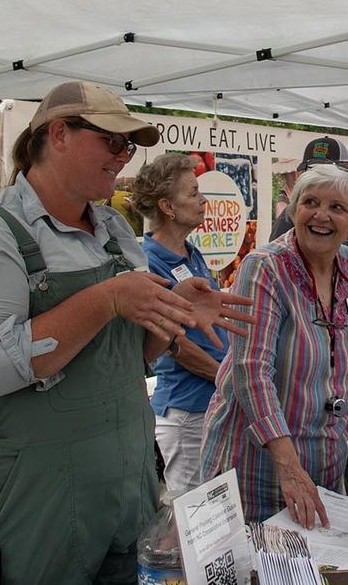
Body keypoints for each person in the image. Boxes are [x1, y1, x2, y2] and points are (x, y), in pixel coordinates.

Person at [0, 81, 253, 584]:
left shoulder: (114, 229)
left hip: (123, 494)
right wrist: (106, 299)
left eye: (128, 146)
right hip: (27, 506)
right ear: (58, 134)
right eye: (113, 142)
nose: (123, 157)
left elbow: (132, 359)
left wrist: (172, 316)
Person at [200, 164, 348, 527]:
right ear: (294, 210)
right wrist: (288, 467)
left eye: (337, 208)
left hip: (324, 469)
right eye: (311, 202)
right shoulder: (264, 268)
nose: (321, 215)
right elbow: (251, 371)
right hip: (255, 472)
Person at [130, 153, 229, 498]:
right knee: (195, 515)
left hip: (210, 401)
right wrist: (225, 377)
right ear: (167, 207)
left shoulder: (191, 253)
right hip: (187, 409)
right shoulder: (149, 261)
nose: (203, 201)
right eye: (193, 194)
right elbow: (173, 343)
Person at [270, 136, 348, 314]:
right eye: (313, 171)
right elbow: (275, 262)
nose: (321, 215)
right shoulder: (291, 216)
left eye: (337, 207)